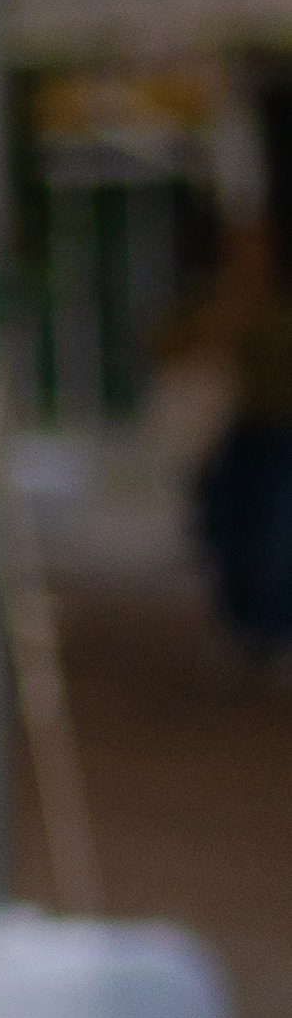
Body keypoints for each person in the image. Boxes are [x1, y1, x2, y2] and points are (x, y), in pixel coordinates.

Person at [156, 218, 292, 681]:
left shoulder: (276, 307)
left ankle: (273, 630)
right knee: (227, 531)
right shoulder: (210, 302)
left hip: (280, 431)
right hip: (228, 434)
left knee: (276, 531)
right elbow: (164, 346)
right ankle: (244, 627)